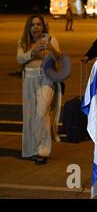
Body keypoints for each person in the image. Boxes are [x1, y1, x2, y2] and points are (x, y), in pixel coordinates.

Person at [16, 15, 63, 165]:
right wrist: (33, 52)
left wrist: (51, 49)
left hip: (46, 79)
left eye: (38, 24)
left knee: (42, 113)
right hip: (29, 79)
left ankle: (43, 151)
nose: (36, 27)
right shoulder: (23, 42)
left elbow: (60, 58)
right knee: (30, 116)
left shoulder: (51, 40)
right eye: (33, 25)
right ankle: (31, 150)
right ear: (28, 28)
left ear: (44, 26)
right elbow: (19, 59)